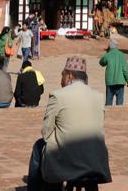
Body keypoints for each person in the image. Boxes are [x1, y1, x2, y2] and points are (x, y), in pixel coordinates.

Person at [25, 56, 111, 191]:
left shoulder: (58, 95)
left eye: (62, 76)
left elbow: (46, 132)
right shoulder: (99, 97)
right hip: (96, 160)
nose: (61, 81)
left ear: (69, 76)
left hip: (69, 160)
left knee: (39, 147)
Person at [99, 39, 128, 106]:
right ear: (116, 46)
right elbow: (125, 69)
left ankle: (108, 116)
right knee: (119, 104)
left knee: (108, 103)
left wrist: (107, 53)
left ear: (109, 46)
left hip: (110, 82)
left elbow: (101, 63)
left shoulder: (108, 54)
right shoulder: (122, 55)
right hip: (120, 82)